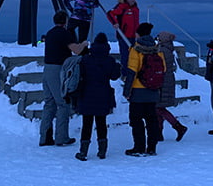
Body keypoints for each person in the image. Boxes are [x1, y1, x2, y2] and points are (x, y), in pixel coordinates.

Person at [39, 10, 86, 147]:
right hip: (57, 70)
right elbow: (76, 50)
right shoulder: (64, 34)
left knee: (49, 104)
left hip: (47, 69)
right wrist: (84, 44)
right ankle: (61, 137)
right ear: (65, 21)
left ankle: (45, 137)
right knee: (63, 103)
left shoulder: (50, 33)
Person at [75, 32, 122, 161]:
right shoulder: (110, 60)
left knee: (87, 124)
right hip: (103, 94)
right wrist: (117, 67)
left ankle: (83, 151)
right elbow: (114, 76)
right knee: (101, 123)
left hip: (87, 93)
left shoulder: (86, 59)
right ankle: (102, 151)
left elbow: (80, 75)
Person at [124, 22, 165, 156]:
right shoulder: (157, 49)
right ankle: (152, 147)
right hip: (153, 90)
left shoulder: (136, 49)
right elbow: (163, 69)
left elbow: (132, 72)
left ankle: (139, 147)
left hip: (138, 90)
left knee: (136, 120)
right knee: (151, 119)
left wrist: (127, 91)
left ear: (138, 34)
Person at [155, 31, 188, 142]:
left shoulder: (162, 50)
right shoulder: (168, 49)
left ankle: (178, 126)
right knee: (159, 107)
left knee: (158, 107)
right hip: (167, 79)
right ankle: (159, 132)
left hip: (163, 80)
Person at [107, 0, 140, 77]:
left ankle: (133, 74)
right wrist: (115, 23)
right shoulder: (122, 6)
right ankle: (125, 75)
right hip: (123, 35)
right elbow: (110, 13)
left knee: (133, 56)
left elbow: (136, 22)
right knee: (125, 56)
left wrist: (138, 32)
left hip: (133, 36)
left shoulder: (135, 8)